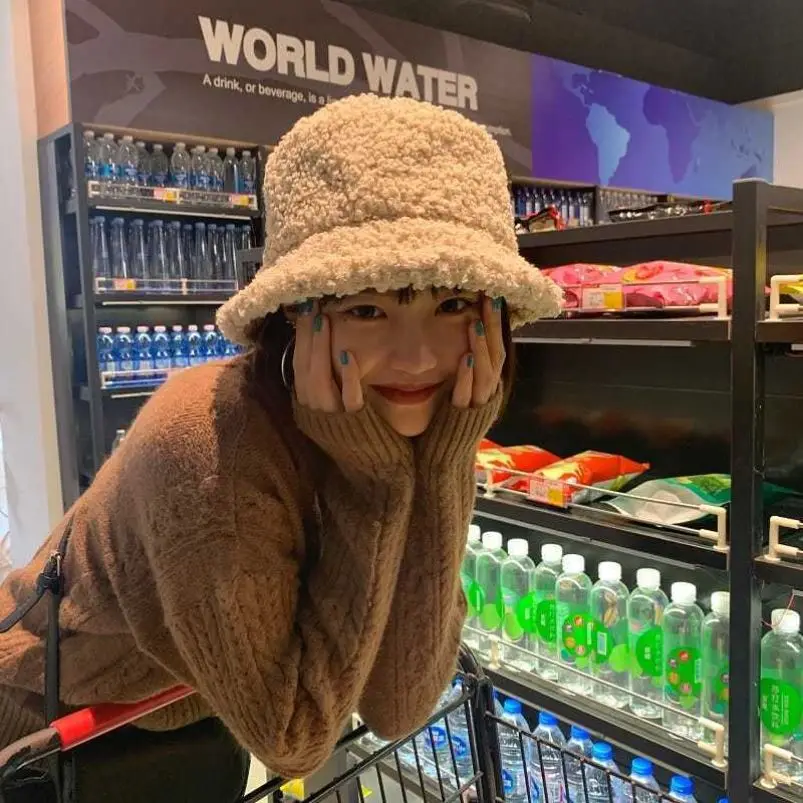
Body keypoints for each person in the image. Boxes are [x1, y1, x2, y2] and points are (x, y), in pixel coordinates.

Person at [0, 94, 560, 800]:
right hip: (51, 735)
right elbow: (294, 740)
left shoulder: (402, 424)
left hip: (185, 716)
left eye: (451, 305)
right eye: (366, 308)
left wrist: (444, 465)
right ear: (297, 316)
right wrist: (374, 486)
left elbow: (397, 704)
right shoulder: (208, 448)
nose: (417, 356)